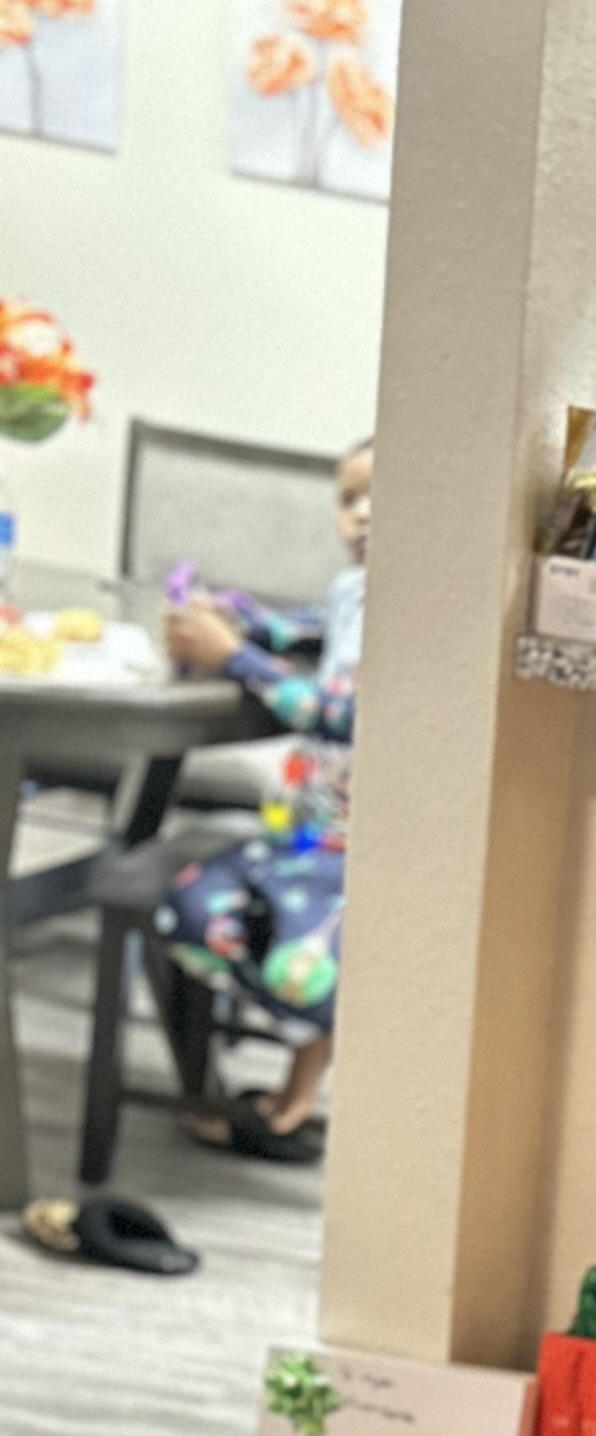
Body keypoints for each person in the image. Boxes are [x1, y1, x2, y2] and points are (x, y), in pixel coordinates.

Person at [155, 435, 370, 1155]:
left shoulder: (422, 608)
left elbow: (342, 714)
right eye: (348, 497)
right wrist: (238, 617)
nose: (363, 513)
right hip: (311, 826)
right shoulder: (354, 590)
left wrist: (234, 657)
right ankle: (292, 1081)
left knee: (288, 951)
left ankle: (297, 1087)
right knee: (196, 905)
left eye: (382, 493)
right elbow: (304, 629)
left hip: (367, 842)